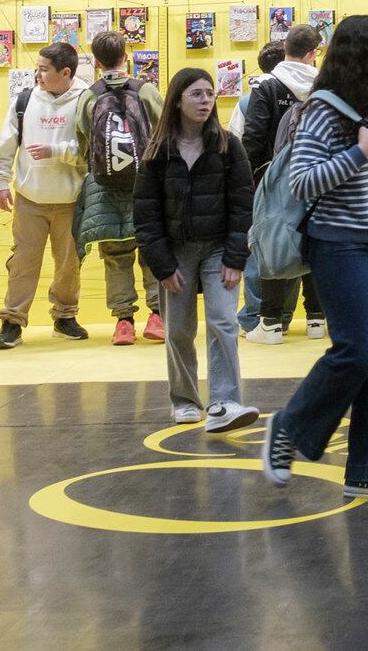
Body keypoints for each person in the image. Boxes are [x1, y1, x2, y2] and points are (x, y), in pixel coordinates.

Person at [262, 14, 368, 504]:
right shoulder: (322, 109)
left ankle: (365, 469)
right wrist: (358, 153)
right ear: (363, 51)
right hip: (339, 245)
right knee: (355, 352)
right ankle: (289, 427)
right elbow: (303, 181)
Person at [135, 67, 258, 431]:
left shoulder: (227, 144)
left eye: (209, 94)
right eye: (197, 94)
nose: (206, 101)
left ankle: (224, 402)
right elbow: (145, 212)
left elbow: (242, 205)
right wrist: (161, 263)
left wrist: (236, 257)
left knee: (223, 322)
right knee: (178, 331)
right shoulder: (157, 150)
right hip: (175, 253)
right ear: (177, 100)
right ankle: (186, 401)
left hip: (219, 249)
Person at [0, 43, 94, 349]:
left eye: (44, 69)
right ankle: (12, 321)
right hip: (29, 199)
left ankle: (64, 317)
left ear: (66, 73)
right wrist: (0, 182)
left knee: (68, 265)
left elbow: (92, 151)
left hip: (72, 200)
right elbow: (6, 145)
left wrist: (56, 151)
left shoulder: (87, 101)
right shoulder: (23, 100)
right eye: (37, 68)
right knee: (22, 262)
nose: (37, 74)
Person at [71, 31, 166, 346]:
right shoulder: (146, 90)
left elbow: (83, 142)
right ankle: (157, 315)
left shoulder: (89, 95)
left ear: (96, 62)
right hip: (146, 185)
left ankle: (124, 322)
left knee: (115, 254)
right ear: (127, 56)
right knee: (152, 251)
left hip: (106, 188)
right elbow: (165, 130)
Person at [238, 25, 325, 342]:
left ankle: (271, 321)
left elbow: (254, 137)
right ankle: (317, 319)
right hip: (317, 177)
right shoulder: (323, 87)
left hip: (273, 179)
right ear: (313, 53)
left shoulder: (266, 86)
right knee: (314, 242)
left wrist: (253, 180)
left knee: (272, 243)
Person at [228, 38, 287, 332]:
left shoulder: (246, 100)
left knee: (257, 247)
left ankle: (254, 315)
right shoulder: (305, 92)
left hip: (259, 182)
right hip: (300, 182)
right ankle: (287, 315)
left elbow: (237, 144)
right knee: (290, 245)